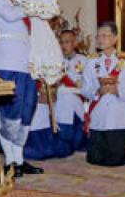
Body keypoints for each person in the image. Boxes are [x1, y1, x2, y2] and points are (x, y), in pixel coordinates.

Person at [0, 0, 43, 176]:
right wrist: (33, 5)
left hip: (27, 59)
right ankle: (9, 160)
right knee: (9, 109)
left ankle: (19, 159)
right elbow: (9, 16)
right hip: (7, 58)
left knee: (27, 109)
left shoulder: (21, 0)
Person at [82, 22, 125, 166]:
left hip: (118, 115)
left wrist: (118, 90)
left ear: (115, 38)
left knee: (115, 161)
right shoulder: (91, 61)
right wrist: (97, 91)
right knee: (95, 159)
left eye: (105, 35)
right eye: (98, 36)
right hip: (98, 115)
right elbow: (84, 88)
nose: (100, 39)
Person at [24, 29, 89, 160]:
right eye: (61, 42)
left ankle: (66, 135)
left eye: (67, 42)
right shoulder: (54, 61)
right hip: (54, 97)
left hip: (75, 97)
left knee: (66, 100)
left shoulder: (83, 60)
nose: (63, 45)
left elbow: (86, 84)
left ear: (75, 43)